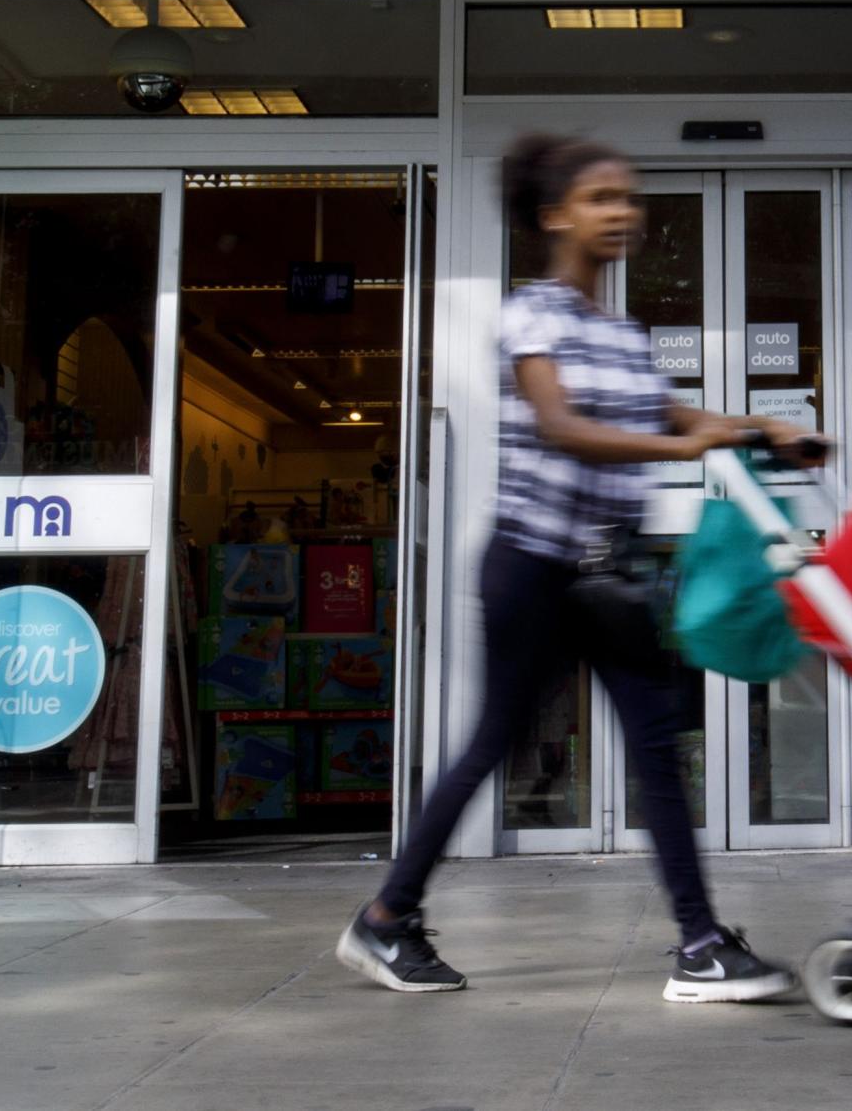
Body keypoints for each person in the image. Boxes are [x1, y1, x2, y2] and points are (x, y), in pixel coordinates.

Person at [338, 132, 809, 1002]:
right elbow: (563, 426)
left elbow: (672, 414)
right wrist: (688, 438)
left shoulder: (621, 333)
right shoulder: (533, 314)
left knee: (659, 749)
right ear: (556, 215)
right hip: (532, 569)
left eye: (628, 197)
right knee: (493, 744)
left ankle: (702, 945)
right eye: (602, 198)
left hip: (608, 576)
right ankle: (385, 919)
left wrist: (759, 427)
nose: (622, 211)